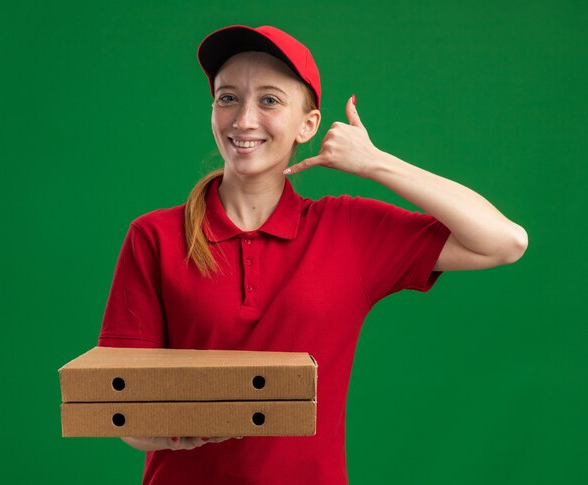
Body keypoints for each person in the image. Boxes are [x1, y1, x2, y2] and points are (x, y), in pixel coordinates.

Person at [97, 24, 528, 485]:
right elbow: (123, 410)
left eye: (269, 100)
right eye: (228, 98)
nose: (243, 120)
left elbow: (505, 241)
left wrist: (376, 163)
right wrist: (182, 431)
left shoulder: (346, 230)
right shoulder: (155, 236)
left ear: (309, 124)